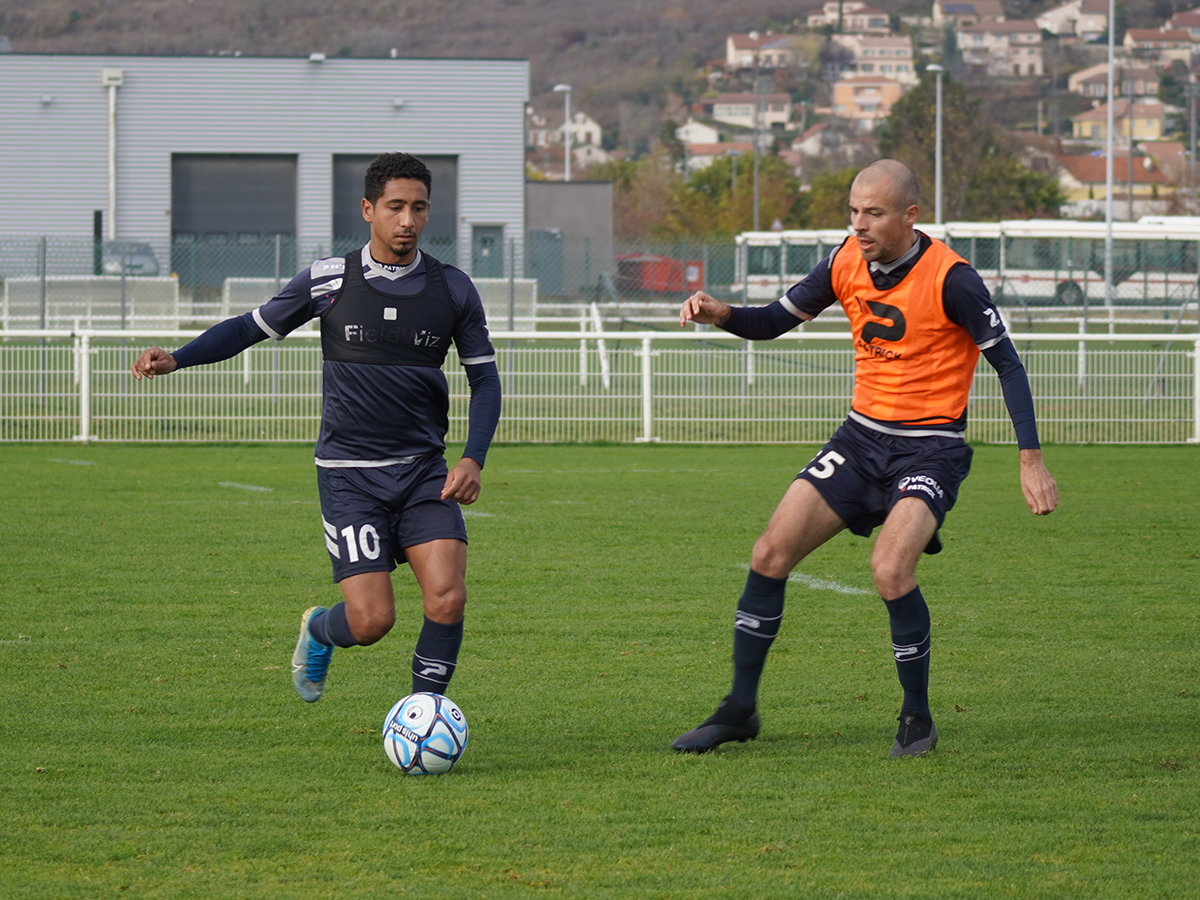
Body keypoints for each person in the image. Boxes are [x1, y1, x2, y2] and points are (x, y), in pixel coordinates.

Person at [671, 158, 1058, 757]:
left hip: (930, 449)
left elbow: (1007, 363)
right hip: (859, 441)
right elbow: (775, 321)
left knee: (890, 570)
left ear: (910, 215)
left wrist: (1030, 459)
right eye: (853, 212)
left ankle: (917, 717)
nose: (859, 225)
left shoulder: (952, 277)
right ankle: (739, 709)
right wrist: (722, 314)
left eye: (873, 213)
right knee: (770, 553)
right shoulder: (844, 260)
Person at [131, 152, 502, 709]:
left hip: (424, 470)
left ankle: (424, 715)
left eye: (419, 208)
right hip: (349, 478)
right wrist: (178, 358)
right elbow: (247, 327)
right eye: (395, 207)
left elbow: (486, 382)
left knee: (447, 597)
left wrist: (472, 458)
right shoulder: (330, 279)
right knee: (373, 620)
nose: (408, 221)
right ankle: (320, 631)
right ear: (368, 209)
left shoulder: (453, 289)